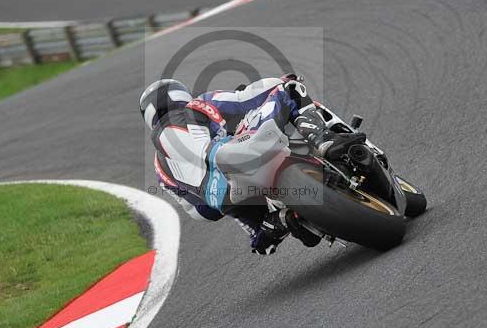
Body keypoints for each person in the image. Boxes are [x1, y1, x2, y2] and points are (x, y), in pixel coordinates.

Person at [139, 75, 366, 255]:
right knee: (289, 90)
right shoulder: (196, 105)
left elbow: (202, 212)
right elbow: (244, 99)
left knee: (264, 233)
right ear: (179, 95)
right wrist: (279, 81)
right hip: (238, 154)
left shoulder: (160, 170)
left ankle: (278, 223)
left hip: (225, 198)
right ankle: (323, 140)